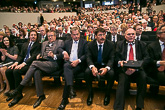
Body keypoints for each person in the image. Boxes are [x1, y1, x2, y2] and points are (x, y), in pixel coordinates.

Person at [6, 30, 64, 108]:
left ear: (55, 36)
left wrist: (54, 55)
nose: (50, 37)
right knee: (36, 72)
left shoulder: (60, 42)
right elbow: (41, 53)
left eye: (52, 36)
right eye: (49, 36)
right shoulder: (44, 43)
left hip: (53, 64)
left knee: (34, 63)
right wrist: (39, 55)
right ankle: (41, 96)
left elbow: (61, 53)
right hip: (43, 62)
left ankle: (19, 88)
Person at [113, 28, 149, 110]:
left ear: (135, 35)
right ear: (125, 36)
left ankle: (139, 105)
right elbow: (116, 56)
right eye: (129, 34)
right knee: (121, 81)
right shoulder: (119, 44)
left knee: (143, 77)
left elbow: (147, 58)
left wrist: (136, 67)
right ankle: (118, 107)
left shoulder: (142, 44)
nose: (131, 36)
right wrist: (120, 62)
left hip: (138, 69)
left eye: (133, 34)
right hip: (124, 69)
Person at [5, 30, 41, 106]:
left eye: (35, 35)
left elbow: (34, 56)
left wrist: (24, 64)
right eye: (32, 35)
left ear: (37, 37)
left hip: (30, 64)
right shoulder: (25, 44)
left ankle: (18, 95)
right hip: (22, 63)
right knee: (8, 71)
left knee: (16, 71)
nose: (33, 36)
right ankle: (13, 91)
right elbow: (21, 55)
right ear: (29, 36)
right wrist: (16, 63)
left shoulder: (38, 45)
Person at [57, 26, 87, 110]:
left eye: (77, 34)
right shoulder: (67, 42)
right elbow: (59, 48)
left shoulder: (84, 42)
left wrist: (78, 61)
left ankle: (65, 99)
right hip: (69, 64)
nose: (76, 36)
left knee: (67, 73)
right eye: (74, 35)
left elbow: (86, 55)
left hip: (79, 65)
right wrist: (64, 52)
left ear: (79, 34)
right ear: (71, 35)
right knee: (67, 67)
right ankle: (70, 90)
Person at [85, 28, 115, 106]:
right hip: (95, 65)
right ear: (95, 36)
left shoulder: (111, 44)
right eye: (100, 35)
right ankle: (90, 93)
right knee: (87, 72)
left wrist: (107, 68)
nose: (102, 37)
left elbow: (112, 58)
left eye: (104, 35)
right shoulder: (90, 44)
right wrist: (92, 67)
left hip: (105, 65)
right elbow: (88, 57)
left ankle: (107, 94)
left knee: (111, 74)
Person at [147, 24, 165, 93]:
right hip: (157, 69)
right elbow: (149, 61)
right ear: (158, 35)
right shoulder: (152, 46)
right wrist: (160, 62)